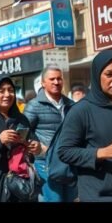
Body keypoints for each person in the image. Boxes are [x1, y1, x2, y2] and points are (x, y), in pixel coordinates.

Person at [56, 50, 112, 201]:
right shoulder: (81, 110)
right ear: (97, 76)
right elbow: (65, 151)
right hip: (100, 195)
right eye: (109, 74)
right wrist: (101, 153)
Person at [23, 64, 75, 202]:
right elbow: (23, 130)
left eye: (59, 79)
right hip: (46, 163)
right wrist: (39, 146)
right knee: (54, 199)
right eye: (52, 79)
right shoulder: (34, 105)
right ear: (43, 82)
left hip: (69, 162)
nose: (56, 82)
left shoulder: (71, 104)